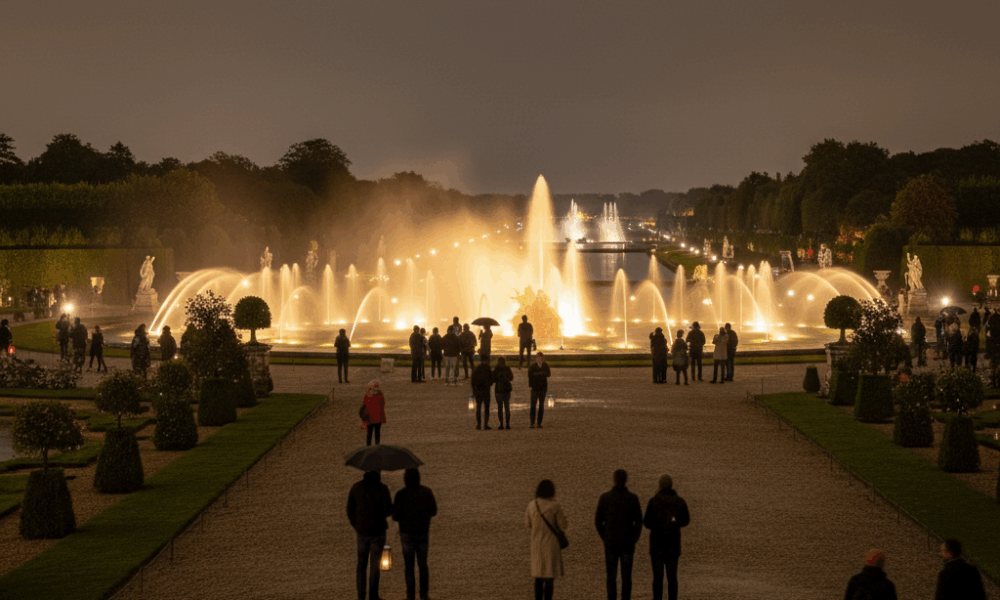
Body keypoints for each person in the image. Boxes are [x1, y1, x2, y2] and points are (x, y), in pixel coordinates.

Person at [595, 469, 643, 600]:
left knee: (611, 577)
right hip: (627, 543)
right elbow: (639, 522)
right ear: (626, 480)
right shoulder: (633, 498)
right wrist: (634, 538)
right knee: (626, 577)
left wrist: (604, 537)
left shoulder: (605, 498)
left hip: (610, 542)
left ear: (614, 480)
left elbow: (598, 521)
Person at [347, 470, 393, 600]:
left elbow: (350, 510)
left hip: (362, 531)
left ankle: (361, 595)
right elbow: (388, 511)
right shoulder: (382, 489)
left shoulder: (356, 488)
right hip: (378, 532)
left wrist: (356, 526)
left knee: (361, 565)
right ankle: (373, 595)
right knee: (374, 565)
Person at [392, 468, 437, 600]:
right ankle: (424, 593)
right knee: (423, 564)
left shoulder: (401, 494)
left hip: (406, 533)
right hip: (423, 531)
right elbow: (434, 511)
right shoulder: (426, 492)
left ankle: (410, 594)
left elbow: (395, 516)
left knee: (409, 566)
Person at [643, 474, 690, 600]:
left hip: (657, 546)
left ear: (659, 486)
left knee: (658, 579)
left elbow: (647, 523)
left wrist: (657, 523)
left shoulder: (653, 502)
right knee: (672, 578)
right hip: (673, 546)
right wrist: (674, 521)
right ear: (671, 485)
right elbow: (686, 520)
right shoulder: (679, 501)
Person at [527, 479, 567, 600]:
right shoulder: (555, 506)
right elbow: (563, 525)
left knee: (538, 578)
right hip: (551, 545)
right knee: (549, 579)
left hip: (537, 545)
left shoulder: (532, 505)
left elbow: (528, 524)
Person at [528, 352, 551, 428]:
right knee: (533, 406)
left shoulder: (545, 365)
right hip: (535, 388)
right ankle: (532, 422)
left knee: (541, 406)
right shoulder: (533, 366)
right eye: (538, 358)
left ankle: (538, 422)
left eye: (541, 358)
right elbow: (530, 375)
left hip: (542, 388)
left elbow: (548, 374)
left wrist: (539, 373)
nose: (540, 359)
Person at [360, 380, 387, 446]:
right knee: (377, 432)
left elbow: (364, 405)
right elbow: (382, 404)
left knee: (369, 433)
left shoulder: (367, 395)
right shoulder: (380, 395)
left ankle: (368, 446)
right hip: (378, 417)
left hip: (369, 418)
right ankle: (377, 445)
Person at [471, 358, 494, 430]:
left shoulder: (476, 369)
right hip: (486, 390)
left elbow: (473, 380)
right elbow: (492, 379)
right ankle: (485, 424)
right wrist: (489, 384)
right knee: (486, 408)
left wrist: (474, 390)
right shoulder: (487, 368)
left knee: (478, 407)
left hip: (478, 390)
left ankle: (479, 425)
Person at [493, 356, 514, 429]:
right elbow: (511, 378)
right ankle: (507, 424)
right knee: (506, 407)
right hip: (506, 390)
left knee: (500, 407)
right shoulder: (507, 368)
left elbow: (493, 379)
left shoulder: (497, 369)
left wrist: (499, 377)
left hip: (499, 390)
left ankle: (502, 424)